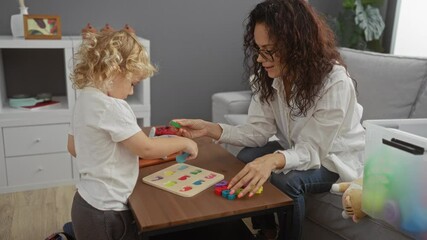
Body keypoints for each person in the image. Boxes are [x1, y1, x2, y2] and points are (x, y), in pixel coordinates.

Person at [174, 0, 365, 239]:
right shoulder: (270, 76)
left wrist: (273, 160)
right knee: (246, 157)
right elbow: (258, 132)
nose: (260, 59)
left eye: (269, 50)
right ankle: (266, 230)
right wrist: (209, 129)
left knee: (290, 181)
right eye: (258, 48)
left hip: (332, 159)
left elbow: (313, 150)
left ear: (297, 45)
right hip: (298, 148)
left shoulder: (334, 81)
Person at [67, 28, 198, 240]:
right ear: (114, 70)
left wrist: (111, 154)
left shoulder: (83, 99)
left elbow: (73, 148)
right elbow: (146, 147)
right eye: (132, 84)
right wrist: (183, 142)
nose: (130, 92)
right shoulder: (113, 107)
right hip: (108, 212)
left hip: (84, 205)